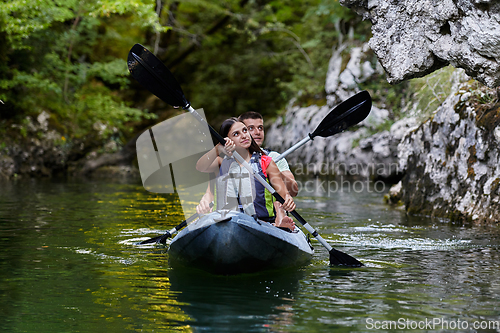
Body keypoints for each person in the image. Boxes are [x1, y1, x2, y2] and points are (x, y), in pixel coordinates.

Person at [196, 117, 296, 230]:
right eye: (236, 134)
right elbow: (200, 167)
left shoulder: (266, 162)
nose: (244, 135)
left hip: (261, 224)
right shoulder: (221, 162)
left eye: (245, 130)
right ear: (227, 140)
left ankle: (279, 223)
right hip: (227, 221)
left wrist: (287, 199)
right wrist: (218, 148)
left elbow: (284, 193)